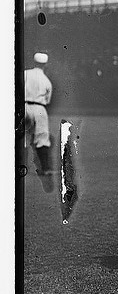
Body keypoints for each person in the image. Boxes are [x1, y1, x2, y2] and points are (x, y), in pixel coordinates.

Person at [24, 52, 54, 193]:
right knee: (42, 138)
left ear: (34, 62)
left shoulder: (25, 74)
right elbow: (47, 100)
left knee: (21, 137)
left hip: (23, 106)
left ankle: (19, 166)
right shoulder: (46, 80)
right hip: (40, 108)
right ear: (45, 64)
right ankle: (46, 168)